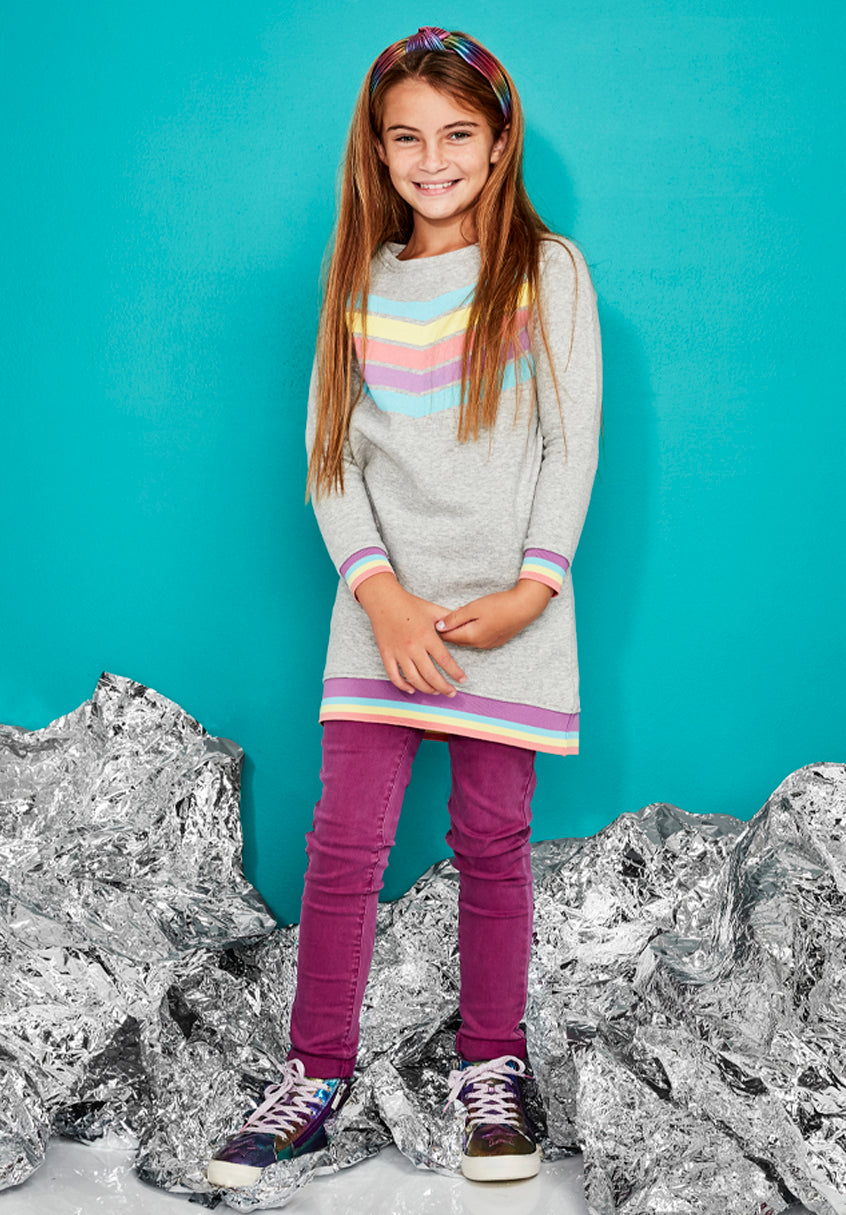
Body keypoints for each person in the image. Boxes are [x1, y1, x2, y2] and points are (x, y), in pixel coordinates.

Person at [207, 24, 601, 1189]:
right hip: (381, 607)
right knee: (345, 847)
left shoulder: (547, 272)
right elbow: (332, 459)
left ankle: (493, 1068)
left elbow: (569, 443)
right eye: (407, 138)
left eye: (457, 135)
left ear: (499, 143)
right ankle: (314, 1076)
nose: (433, 160)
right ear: (377, 152)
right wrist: (380, 598)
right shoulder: (359, 284)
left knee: (492, 845)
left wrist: (530, 589)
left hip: (508, 613)